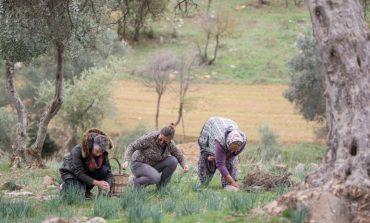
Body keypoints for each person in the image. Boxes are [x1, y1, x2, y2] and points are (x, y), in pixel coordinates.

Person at [121, 123, 189, 189]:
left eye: (165, 141)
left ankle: (161, 188)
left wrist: (184, 165)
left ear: (170, 140)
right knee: (156, 178)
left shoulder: (171, 145)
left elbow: (178, 155)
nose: (162, 142)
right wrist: (126, 160)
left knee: (173, 161)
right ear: (160, 134)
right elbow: (132, 146)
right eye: (160, 139)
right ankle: (134, 182)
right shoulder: (149, 138)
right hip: (138, 164)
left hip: (152, 166)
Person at [59, 128, 113, 199]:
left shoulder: (103, 153)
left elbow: (108, 171)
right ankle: (64, 186)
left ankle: (85, 190)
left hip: (86, 174)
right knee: (77, 195)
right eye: (97, 151)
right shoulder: (77, 150)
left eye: (101, 152)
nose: (98, 154)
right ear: (92, 145)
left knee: (104, 170)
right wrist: (98, 183)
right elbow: (79, 173)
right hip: (72, 174)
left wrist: (107, 184)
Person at [197, 117, 247, 190]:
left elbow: (233, 155)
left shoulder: (242, 141)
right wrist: (232, 182)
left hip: (228, 125)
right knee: (208, 159)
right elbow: (220, 165)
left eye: (235, 149)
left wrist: (223, 157)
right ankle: (204, 183)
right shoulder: (220, 141)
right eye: (231, 148)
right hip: (212, 127)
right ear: (228, 143)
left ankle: (227, 185)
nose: (233, 151)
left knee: (231, 161)